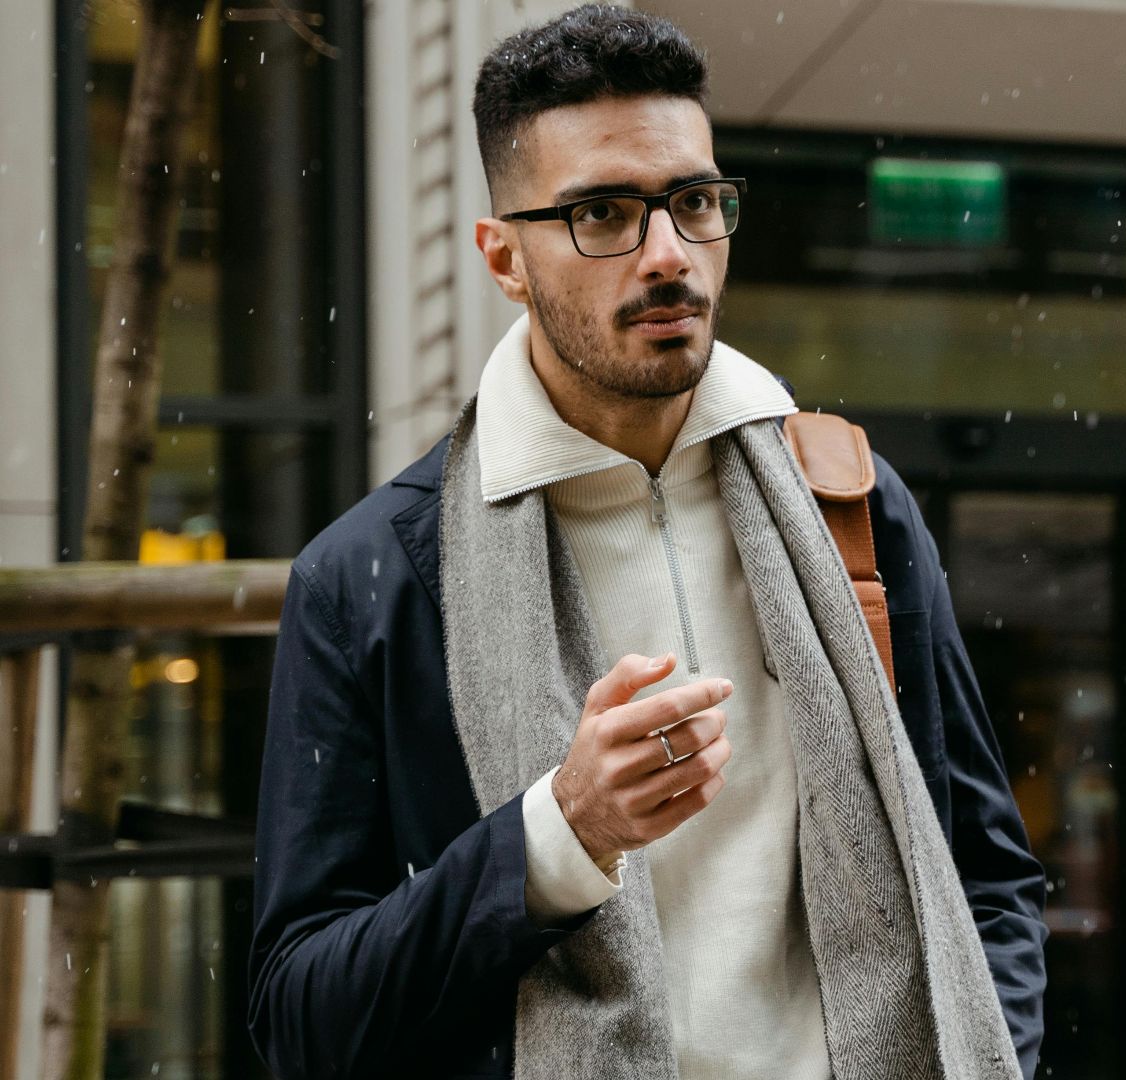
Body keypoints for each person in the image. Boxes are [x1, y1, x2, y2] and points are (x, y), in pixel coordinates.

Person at [245, 7, 1045, 1078]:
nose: (668, 256)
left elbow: (986, 880)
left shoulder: (847, 502)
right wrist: (559, 835)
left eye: (694, 202)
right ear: (504, 258)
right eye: (603, 214)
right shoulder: (371, 578)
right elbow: (301, 1015)